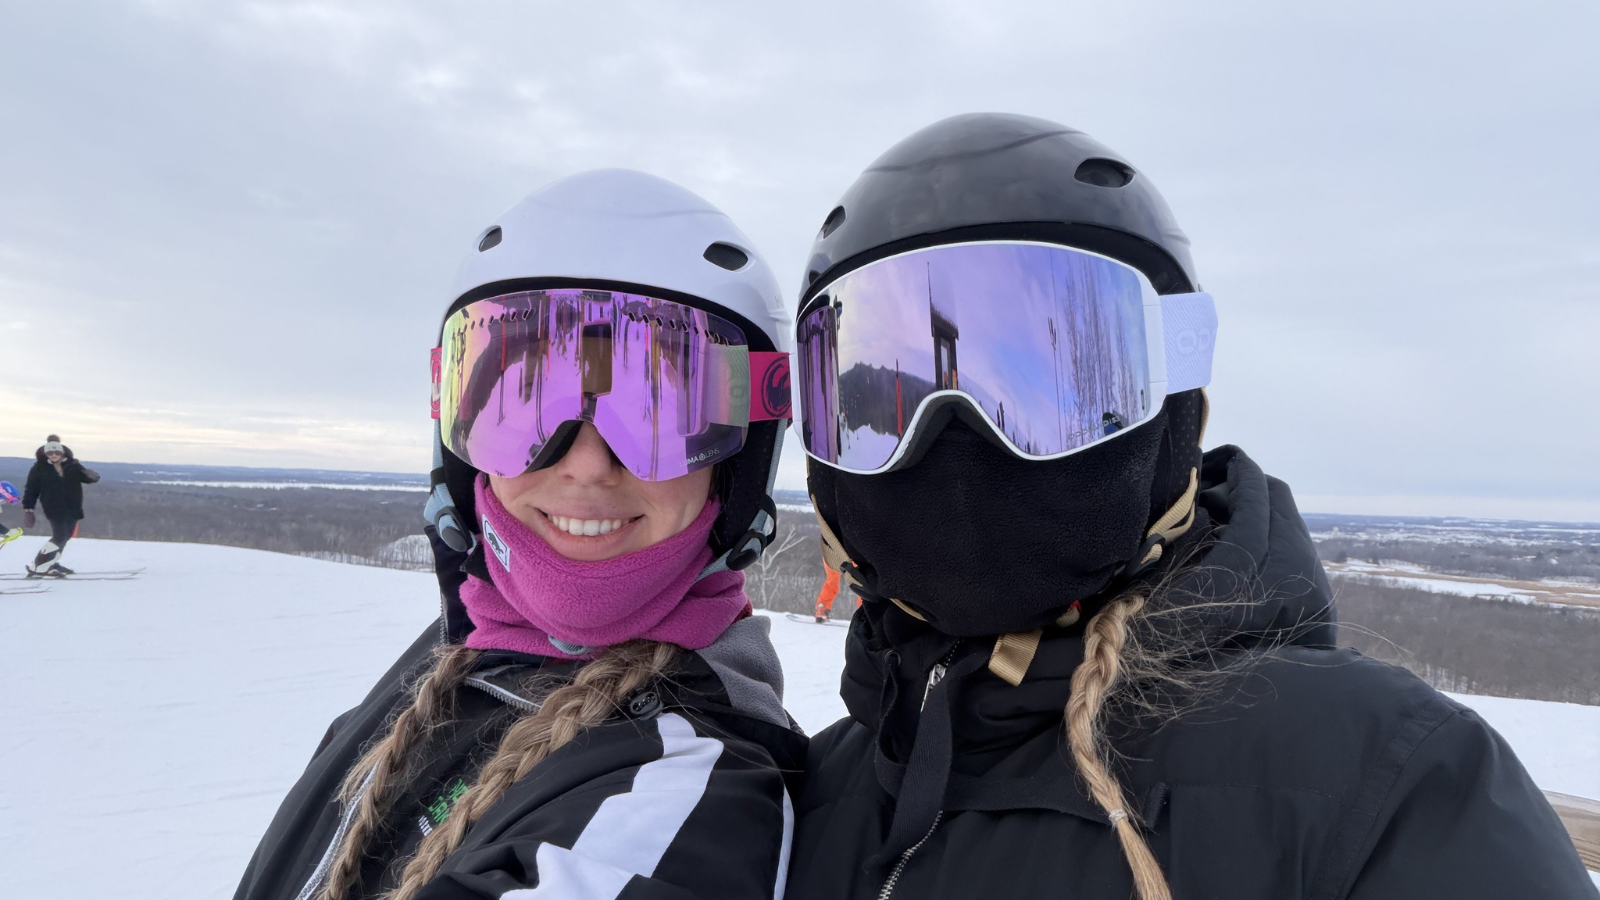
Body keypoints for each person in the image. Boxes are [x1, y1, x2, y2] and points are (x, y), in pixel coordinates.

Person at [785, 114, 1595, 900]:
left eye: (1043, 388)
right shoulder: (804, 802)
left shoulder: (1387, 786)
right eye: (883, 402)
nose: (958, 442)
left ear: (1174, 409)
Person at [235, 170, 803, 900]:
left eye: (658, 413)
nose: (587, 465)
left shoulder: (689, 799)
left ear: (738, 468)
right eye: (528, 402)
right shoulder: (459, 660)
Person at [22, 435, 99, 577]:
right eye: (50, 453)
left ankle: (51, 562)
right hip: (54, 508)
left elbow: (87, 478)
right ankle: (38, 565)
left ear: (62, 453)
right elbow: (31, 489)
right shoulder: (39, 468)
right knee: (59, 537)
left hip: (73, 507)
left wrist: (92, 476)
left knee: (66, 536)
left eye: (56, 452)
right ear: (46, 454)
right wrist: (28, 509)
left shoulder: (72, 465)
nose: (54, 455)